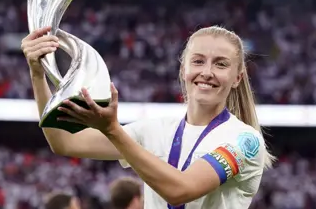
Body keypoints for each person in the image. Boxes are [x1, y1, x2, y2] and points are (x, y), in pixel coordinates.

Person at [21, 25, 275, 209]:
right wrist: (37, 73)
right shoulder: (155, 130)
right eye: (198, 61)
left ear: (238, 78)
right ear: (183, 68)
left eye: (220, 64)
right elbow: (64, 142)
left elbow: (181, 190)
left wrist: (113, 130)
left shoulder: (245, 140)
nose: (207, 72)